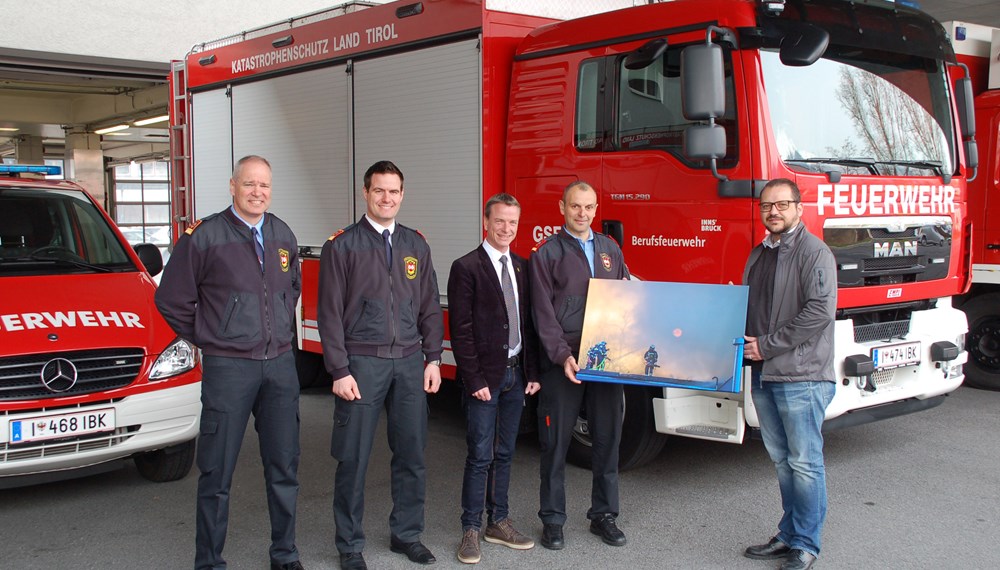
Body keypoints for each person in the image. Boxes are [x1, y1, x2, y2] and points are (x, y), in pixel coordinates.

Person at [155, 155, 305, 570]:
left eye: (265, 185)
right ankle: (209, 562)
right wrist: (211, 337)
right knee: (217, 473)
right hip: (229, 369)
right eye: (249, 184)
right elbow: (171, 299)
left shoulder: (282, 233)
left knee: (284, 467)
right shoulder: (204, 236)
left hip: (278, 367)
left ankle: (285, 554)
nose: (258, 192)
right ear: (232, 185)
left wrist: (272, 329)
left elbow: (290, 289)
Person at [318, 160, 444, 570]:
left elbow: (428, 307)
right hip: (362, 364)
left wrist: (433, 358)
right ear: (365, 194)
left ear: (402, 195)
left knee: (412, 454)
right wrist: (339, 370)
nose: (387, 198)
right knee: (352, 457)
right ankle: (350, 545)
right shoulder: (343, 246)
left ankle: (406, 534)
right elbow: (329, 314)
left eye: (394, 191)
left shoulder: (416, 245)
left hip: (409, 364)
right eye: (379, 191)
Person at [741, 178, 837, 570]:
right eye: (766, 206)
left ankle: (807, 544)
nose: (773, 212)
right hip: (764, 372)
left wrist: (767, 344)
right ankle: (789, 534)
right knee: (782, 460)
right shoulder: (760, 252)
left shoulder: (815, 253)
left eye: (781, 205)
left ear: (798, 207)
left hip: (802, 375)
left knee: (805, 462)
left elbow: (819, 312)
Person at [530, 180, 630, 551]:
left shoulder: (609, 248)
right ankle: (553, 520)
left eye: (589, 207)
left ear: (596, 207)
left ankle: (604, 515)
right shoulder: (547, 253)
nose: (582, 213)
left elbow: (624, 298)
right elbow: (542, 314)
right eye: (575, 206)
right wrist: (561, 355)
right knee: (555, 444)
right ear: (562, 207)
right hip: (564, 363)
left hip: (606, 361)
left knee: (607, 440)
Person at [447, 193, 541, 565]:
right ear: (486, 222)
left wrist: (532, 372)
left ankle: (497, 521)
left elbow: (527, 324)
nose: (507, 229)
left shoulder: (521, 266)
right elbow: (461, 329)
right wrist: (473, 379)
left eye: (513, 223)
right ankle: (470, 528)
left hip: (516, 375)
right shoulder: (466, 267)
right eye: (500, 221)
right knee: (480, 455)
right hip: (484, 379)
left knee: (505, 453)